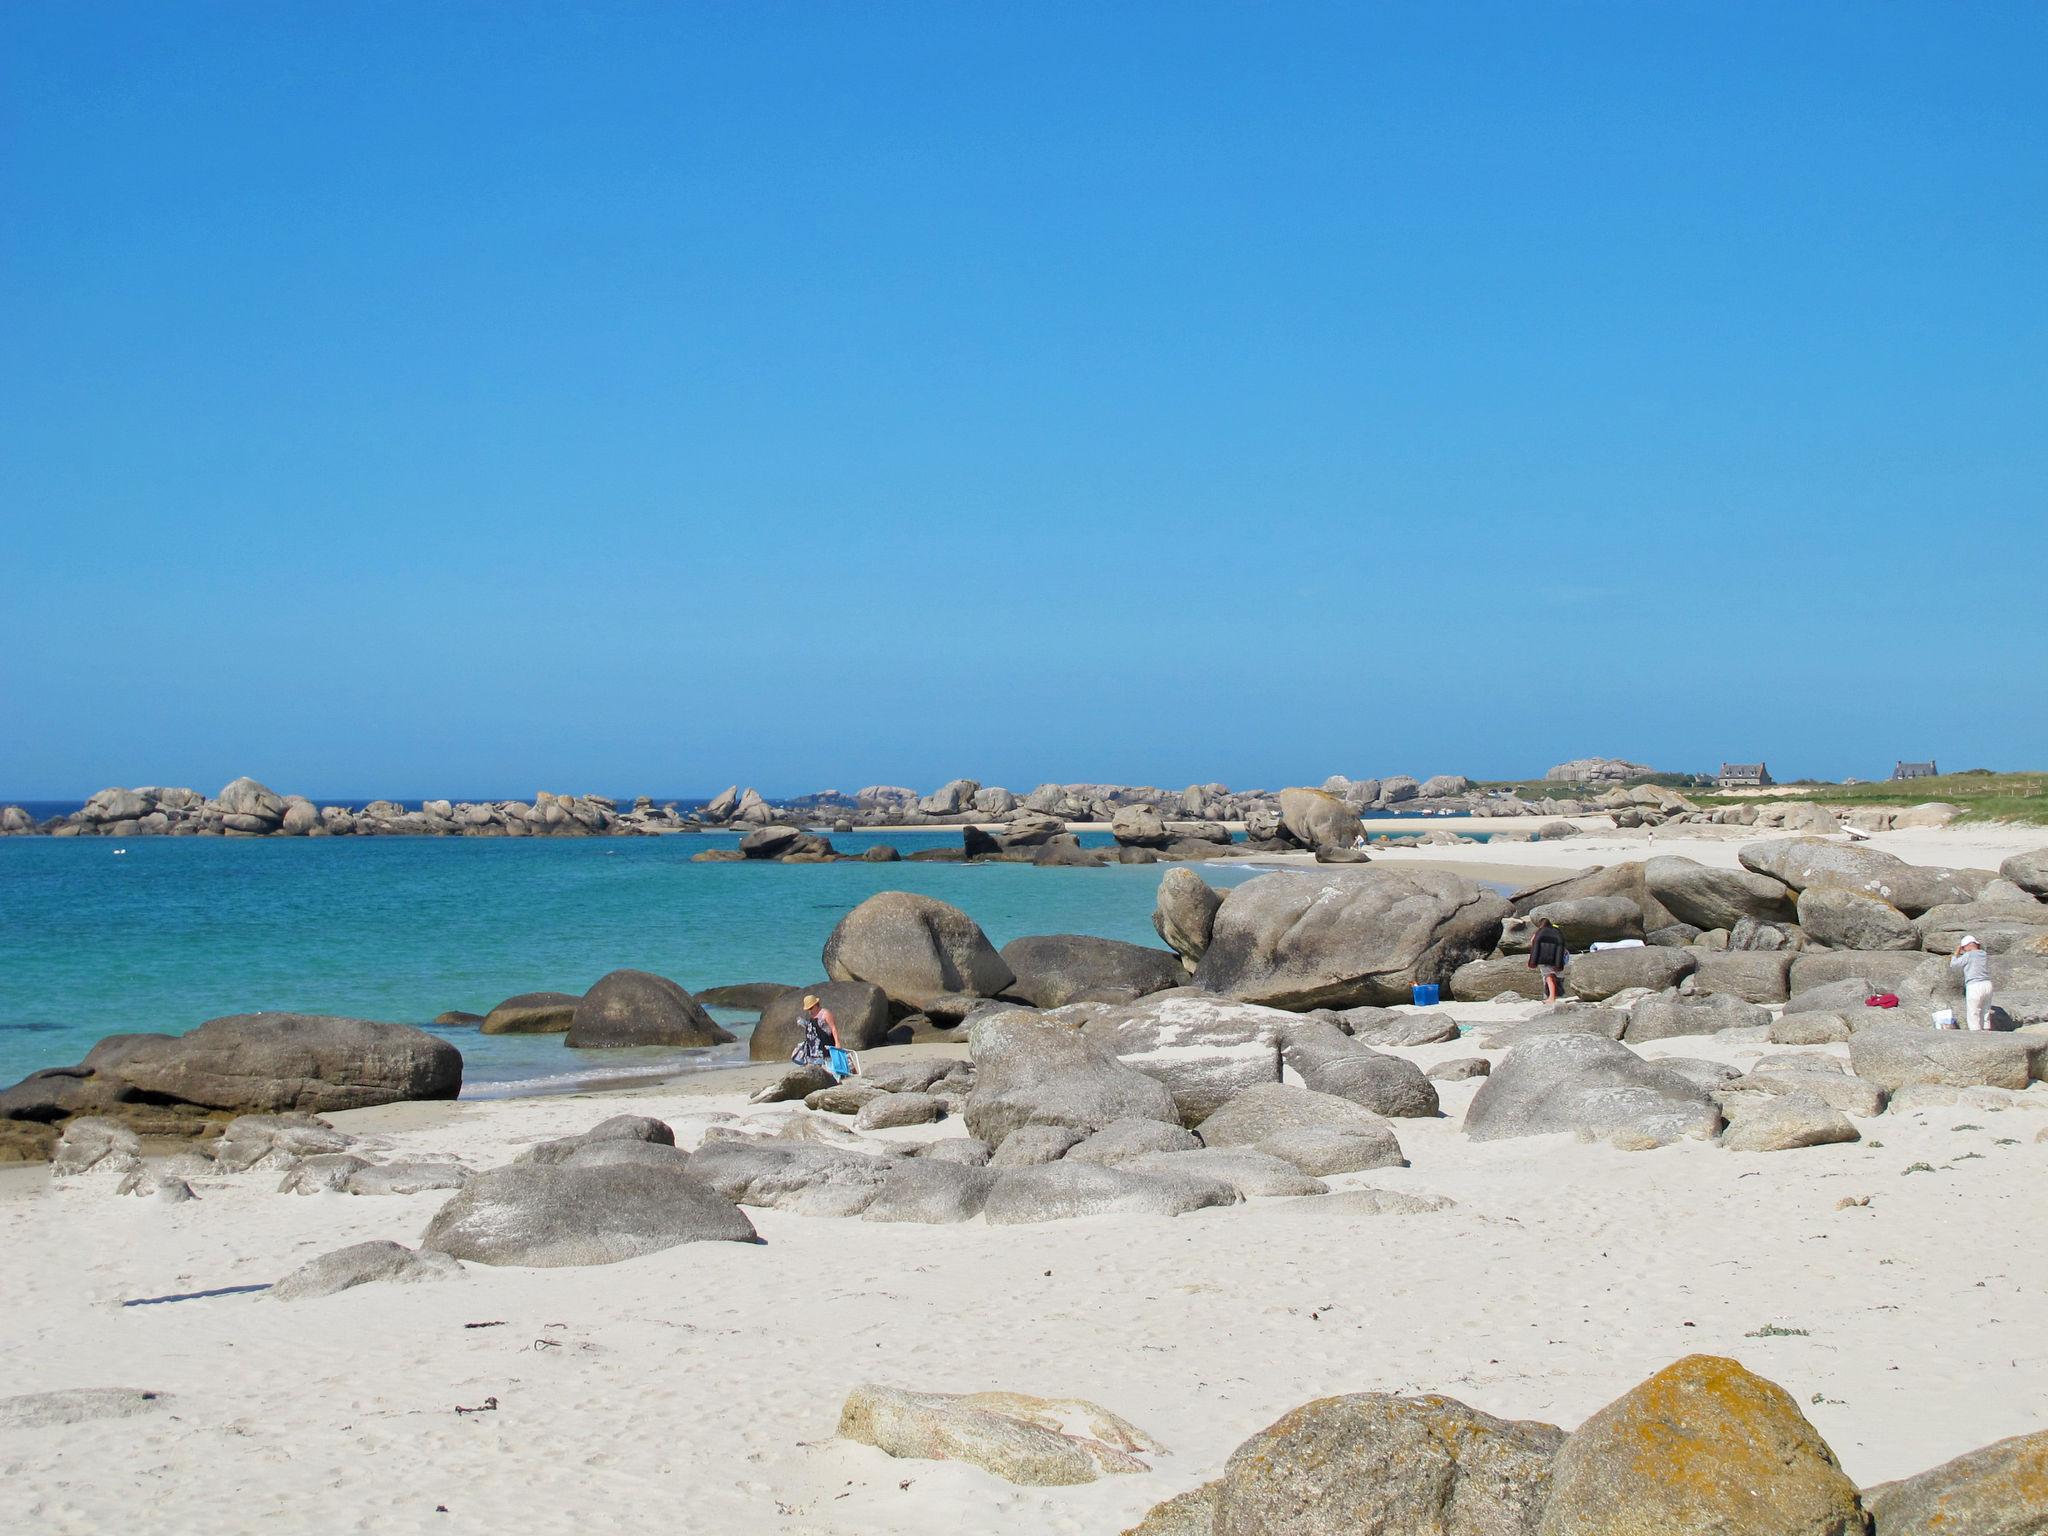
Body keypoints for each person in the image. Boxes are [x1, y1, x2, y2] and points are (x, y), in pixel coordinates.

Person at [1950, 936, 1994, 1031]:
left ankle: (1975, 1034)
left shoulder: (1968, 955)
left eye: (1963, 947)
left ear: (1968, 945)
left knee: (1973, 1012)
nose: (1963, 950)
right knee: (1985, 1011)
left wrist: (1956, 953)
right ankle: (1987, 1031)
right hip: (1987, 984)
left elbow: (1954, 965)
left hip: (1974, 985)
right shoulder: (1984, 954)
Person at [790, 993, 843, 1072]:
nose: (810, 1010)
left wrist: (837, 1043)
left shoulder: (825, 1013)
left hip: (826, 1044)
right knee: (815, 1067)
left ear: (816, 1005)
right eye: (808, 1009)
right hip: (814, 1047)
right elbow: (813, 1028)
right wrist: (804, 1023)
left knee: (829, 1063)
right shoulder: (811, 1015)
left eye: (811, 1008)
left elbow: (833, 1028)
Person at [1527, 916, 1569, 1003]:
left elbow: (1533, 943)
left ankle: (1551, 997)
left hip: (1543, 958)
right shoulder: (1557, 932)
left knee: (1549, 977)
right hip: (1556, 959)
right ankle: (1553, 996)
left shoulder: (1540, 932)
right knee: (1555, 977)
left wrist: (1532, 962)